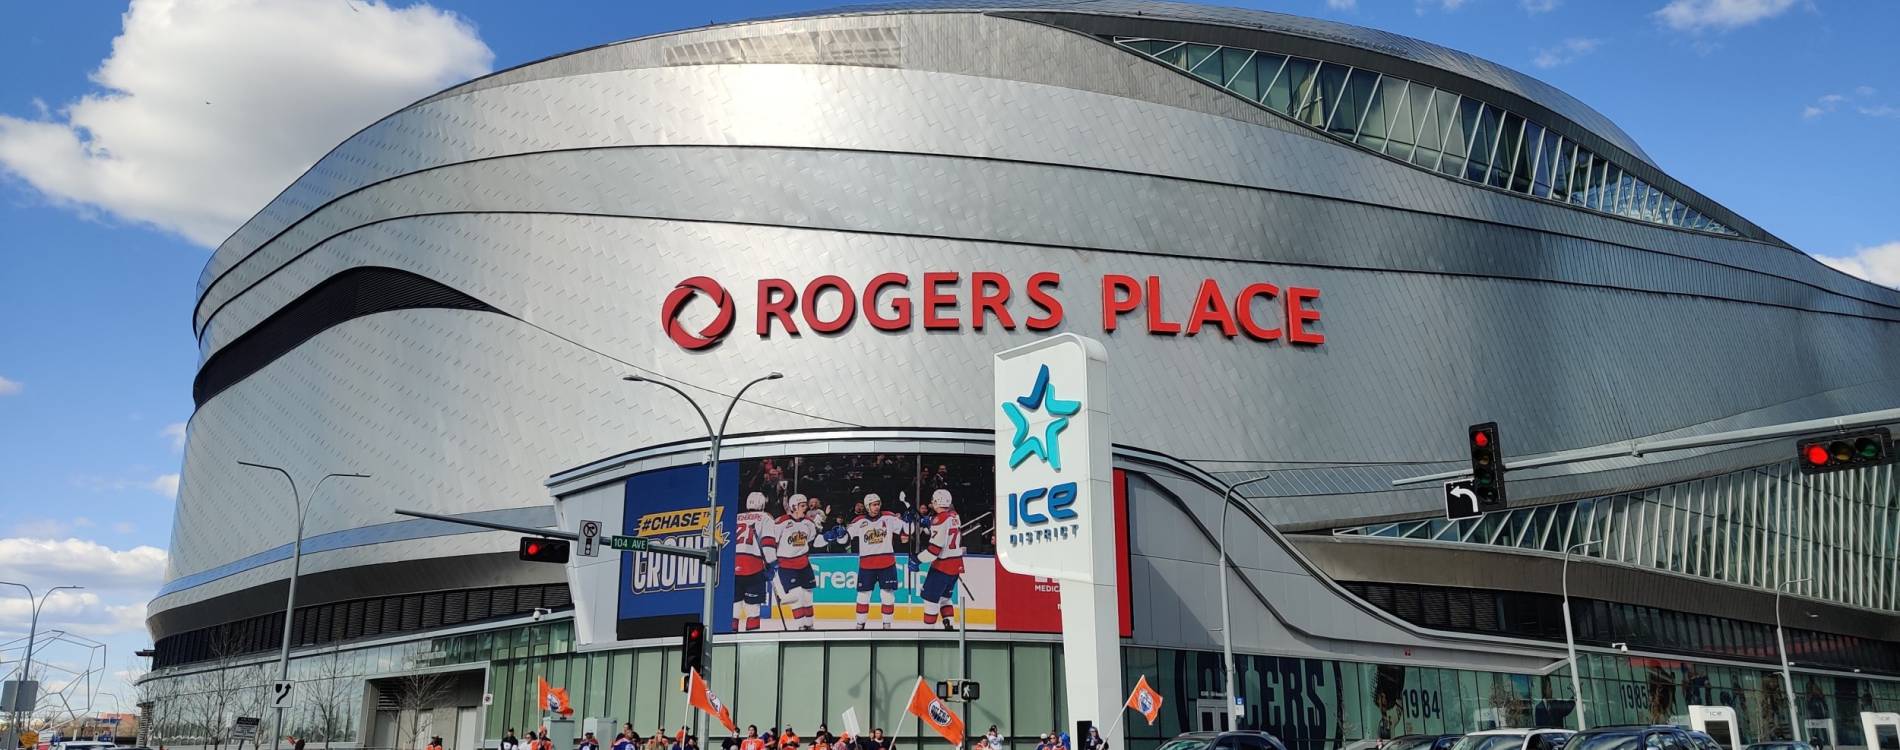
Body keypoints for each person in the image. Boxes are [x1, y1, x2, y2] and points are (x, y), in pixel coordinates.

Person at [828, 492, 910, 629]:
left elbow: (908, 530)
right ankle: (860, 624)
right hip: (867, 564)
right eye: (874, 505)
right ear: (867, 506)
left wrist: (910, 520)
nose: (877, 507)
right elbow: (844, 540)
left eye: (878, 504)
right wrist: (840, 534)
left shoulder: (889, 517)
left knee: (887, 595)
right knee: (863, 595)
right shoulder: (858, 521)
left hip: (887, 562)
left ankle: (887, 624)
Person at [768, 495, 822, 630]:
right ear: (793, 507)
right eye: (802, 505)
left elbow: (812, 540)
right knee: (797, 595)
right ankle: (800, 626)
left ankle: (810, 625)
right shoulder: (781, 522)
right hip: (787, 565)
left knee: (808, 597)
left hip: (804, 563)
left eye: (805, 504)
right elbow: (771, 541)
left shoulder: (809, 523)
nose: (805, 507)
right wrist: (770, 559)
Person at [916, 488, 966, 629]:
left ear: (937, 501)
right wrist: (930, 521)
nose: (932, 503)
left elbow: (933, 550)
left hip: (942, 566)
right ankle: (949, 626)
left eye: (933, 500)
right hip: (956, 565)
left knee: (930, 600)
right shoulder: (955, 515)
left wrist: (916, 559)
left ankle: (928, 633)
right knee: (945, 598)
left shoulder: (940, 519)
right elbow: (944, 523)